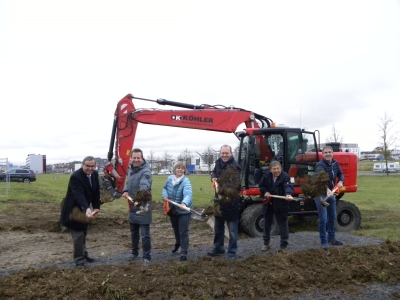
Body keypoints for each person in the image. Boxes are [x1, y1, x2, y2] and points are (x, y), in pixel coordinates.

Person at [60, 156, 101, 268]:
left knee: (84, 232)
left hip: (84, 209)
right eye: (87, 166)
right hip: (74, 211)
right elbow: (79, 195)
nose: (90, 168)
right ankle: (79, 260)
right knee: (78, 235)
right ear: (83, 165)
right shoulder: (76, 177)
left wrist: (96, 207)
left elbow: (96, 192)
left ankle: (84, 254)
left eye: (92, 166)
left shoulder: (95, 174)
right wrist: (87, 209)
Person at [207, 144, 241, 260]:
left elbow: (234, 186)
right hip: (219, 202)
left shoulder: (235, 167)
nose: (224, 155)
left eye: (227, 153)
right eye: (222, 153)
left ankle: (232, 251)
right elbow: (213, 173)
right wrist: (213, 178)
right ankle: (218, 248)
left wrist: (220, 186)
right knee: (218, 228)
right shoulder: (218, 163)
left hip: (231, 202)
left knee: (232, 230)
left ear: (231, 153)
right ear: (220, 153)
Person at [122, 148, 153, 266]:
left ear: (142, 158)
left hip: (143, 207)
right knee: (134, 232)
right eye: (134, 158)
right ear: (131, 158)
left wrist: (140, 199)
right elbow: (128, 183)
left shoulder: (146, 172)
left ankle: (147, 257)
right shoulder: (131, 170)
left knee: (145, 235)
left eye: (138, 158)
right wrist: (125, 190)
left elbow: (144, 185)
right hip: (133, 206)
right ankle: (134, 253)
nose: (136, 160)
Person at [259, 160, 294, 252]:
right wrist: (265, 192)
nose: (276, 171)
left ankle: (284, 246)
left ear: (281, 168)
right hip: (269, 202)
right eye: (274, 169)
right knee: (267, 224)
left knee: (283, 225)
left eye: (278, 168)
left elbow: (288, 186)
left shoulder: (285, 176)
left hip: (281, 203)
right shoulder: (266, 176)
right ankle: (266, 243)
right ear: (270, 170)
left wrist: (288, 194)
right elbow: (262, 186)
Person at [162, 162, 193, 262]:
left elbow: (188, 194)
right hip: (173, 210)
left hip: (183, 211)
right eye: (178, 168)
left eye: (182, 168)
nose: (180, 170)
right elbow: (165, 188)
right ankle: (178, 243)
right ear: (175, 169)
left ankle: (184, 252)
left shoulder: (186, 181)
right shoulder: (170, 179)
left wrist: (184, 203)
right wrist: (165, 196)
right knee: (176, 229)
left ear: (184, 170)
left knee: (183, 231)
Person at [314, 146, 344, 249]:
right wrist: (326, 189)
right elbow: (320, 178)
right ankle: (324, 241)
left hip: (331, 194)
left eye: (329, 152)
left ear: (332, 153)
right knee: (323, 219)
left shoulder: (335, 163)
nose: (328, 154)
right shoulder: (320, 165)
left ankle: (332, 238)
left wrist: (340, 181)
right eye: (325, 152)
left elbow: (341, 174)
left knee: (332, 217)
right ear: (323, 154)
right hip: (321, 194)